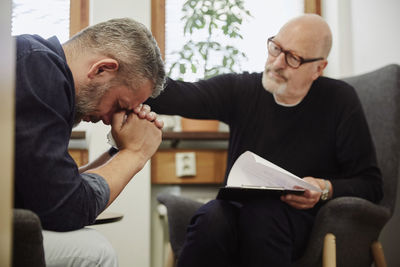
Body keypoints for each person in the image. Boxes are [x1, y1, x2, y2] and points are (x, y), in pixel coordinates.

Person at [146, 14, 383, 266]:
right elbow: (180, 95)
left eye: (293, 58)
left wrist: (325, 188)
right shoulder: (242, 90)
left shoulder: (340, 101)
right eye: (276, 48)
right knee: (211, 216)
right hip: (232, 210)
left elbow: (371, 184)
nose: (277, 62)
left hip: (296, 222)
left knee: (262, 216)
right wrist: (122, 83)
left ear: (318, 68)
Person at [15, 18, 165, 266]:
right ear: (101, 69)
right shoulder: (38, 67)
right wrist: (136, 153)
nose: (109, 121)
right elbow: (65, 208)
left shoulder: (35, 63)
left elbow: (49, 189)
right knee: (94, 251)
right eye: (118, 105)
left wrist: (118, 150)